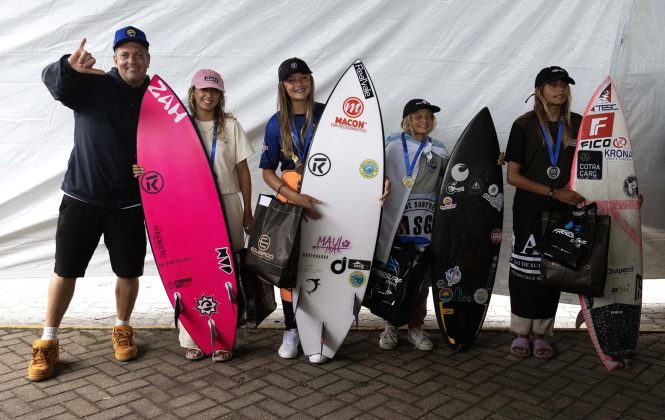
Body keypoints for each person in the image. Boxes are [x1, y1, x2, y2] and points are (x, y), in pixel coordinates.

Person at [28, 26, 151, 382]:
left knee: (128, 271)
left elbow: (171, 146)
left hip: (128, 202)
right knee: (65, 270)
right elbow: (55, 85)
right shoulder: (93, 84)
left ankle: (122, 327)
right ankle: (48, 341)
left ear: (148, 58)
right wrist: (68, 66)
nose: (132, 60)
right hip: (83, 194)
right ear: (115, 59)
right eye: (125, 54)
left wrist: (153, 166)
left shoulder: (156, 97)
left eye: (139, 54)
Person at [133, 69, 254, 362]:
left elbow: (242, 171)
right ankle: (193, 337)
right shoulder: (178, 126)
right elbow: (160, 161)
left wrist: (247, 210)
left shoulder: (231, 126)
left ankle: (225, 337)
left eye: (214, 91)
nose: (208, 95)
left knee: (227, 270)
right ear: (194, 92)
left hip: (226, 202)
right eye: (203, 90)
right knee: (195, 270)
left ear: (220, 95)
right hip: (191, 206)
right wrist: (142, 168)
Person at [504, 66, 585, 359]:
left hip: (564, 210)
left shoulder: (579, 123)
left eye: (564, 84)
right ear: (540, 91)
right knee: (525, 270)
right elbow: (513, 176)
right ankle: (521, 331)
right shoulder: (523, 125)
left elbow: (594, 166)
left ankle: (542, 332)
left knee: (553, 270)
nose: (560, 89)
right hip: (530, 207)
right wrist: (553, 191)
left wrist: (625, 191)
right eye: (553, 84)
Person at [259, 57, 328, 364]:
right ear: (283, 86)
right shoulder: (277, 122)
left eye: (303, 78)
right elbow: (267, 171)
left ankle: (319, 330)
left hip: (328, 206)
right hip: (292, 207)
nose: (298, 84)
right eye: (291, 80)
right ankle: (291, 329)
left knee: (321, 267)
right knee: (289, 269)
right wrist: (294, 197)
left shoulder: (329, 114)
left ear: (310, 81)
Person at [375, 99, 450, 351]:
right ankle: (391, 326)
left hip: (426, 221)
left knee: (420, 279)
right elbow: (376, 175)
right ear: (407, 119)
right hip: (397, 219)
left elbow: (451, 181)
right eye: (418, 116)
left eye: (428, 116)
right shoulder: (392, 144)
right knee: (394, 275)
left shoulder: (439, 149)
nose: (424, 120)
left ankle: (416, 328)